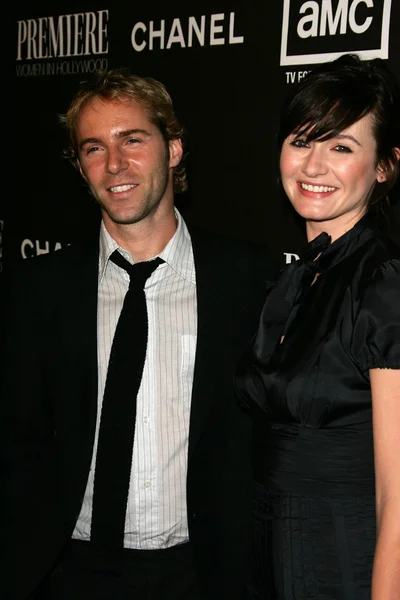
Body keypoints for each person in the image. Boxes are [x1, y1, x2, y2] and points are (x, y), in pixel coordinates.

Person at [0, 68, 278, 600]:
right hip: (68, 572)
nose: (115, 165)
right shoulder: (40, 288)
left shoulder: (250, 280)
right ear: (80, 168)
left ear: (173, 149)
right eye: (93, 148)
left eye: (132, 139)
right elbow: (20, 440)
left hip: (203, 573)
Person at [235, 53, 400, 600]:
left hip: (343, 560)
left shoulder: (383, 284)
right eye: (301, 140)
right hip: (266, 552)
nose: (313, 165)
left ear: (384, 166)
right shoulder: (295, 278)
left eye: (341, 147)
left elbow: (396, 493)